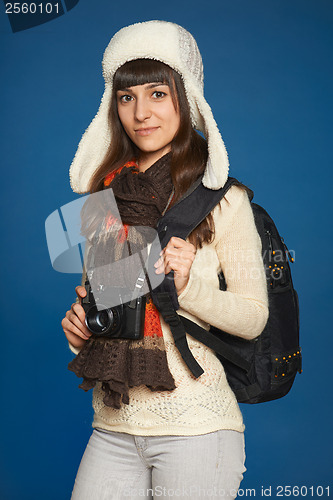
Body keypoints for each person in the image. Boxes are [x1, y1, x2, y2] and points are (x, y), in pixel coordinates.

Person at [62, 20, 269, 500]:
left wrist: (189, 286)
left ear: (186, 96)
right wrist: (82, 331)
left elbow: (254, 318)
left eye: (157, 93)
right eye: (126, 97)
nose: (141, 113)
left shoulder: (223, 199)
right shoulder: (104, 196)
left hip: (197, 429)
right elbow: (114, 309)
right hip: (112, 422)